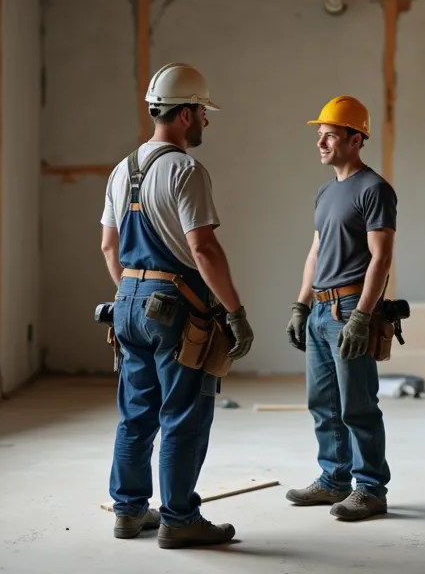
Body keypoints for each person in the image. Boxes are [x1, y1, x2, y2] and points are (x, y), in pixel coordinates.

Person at [99, 62, 254, 549]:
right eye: (203, 113)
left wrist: (133, 292)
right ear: (185, 114)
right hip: (175, 307)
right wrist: (235, 313)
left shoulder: (122, 170)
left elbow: (109, 246)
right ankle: (180, 518)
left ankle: (128, 512)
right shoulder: (186, 170)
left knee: (136, 412)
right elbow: (203, 249)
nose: (206, 121)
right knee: (183, 413)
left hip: (127, 301)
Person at [284, 95, 396, 522]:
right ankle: (333, 479)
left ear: (356, 138)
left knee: (357, 404)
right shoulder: (325, 192)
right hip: (320, 310)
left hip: (350, 307)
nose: (321, 143)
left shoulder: (374, 189)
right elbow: (314, 252)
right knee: (323, 402)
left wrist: (363, 316)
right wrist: (301, 304)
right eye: (320, 136)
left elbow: (381, 258)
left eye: (330, 135)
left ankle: (370, 489)